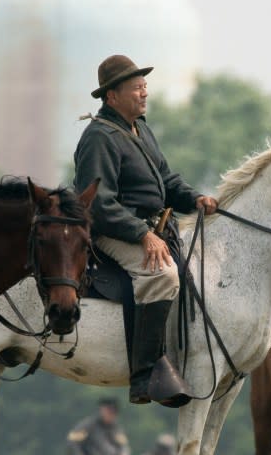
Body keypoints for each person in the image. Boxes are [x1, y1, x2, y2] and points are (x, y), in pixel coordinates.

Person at [73, 54, 218, 407]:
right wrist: (142, 234)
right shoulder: (99, 137)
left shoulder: (141, 130)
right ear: (112, 96)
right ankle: (144, 376)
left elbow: (166, 181)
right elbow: (98, 203)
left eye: (144, 88)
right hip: (110, 231)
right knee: (164, 275)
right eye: (137, 88)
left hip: (146, 229)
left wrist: (195, 198)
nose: (144, 94)